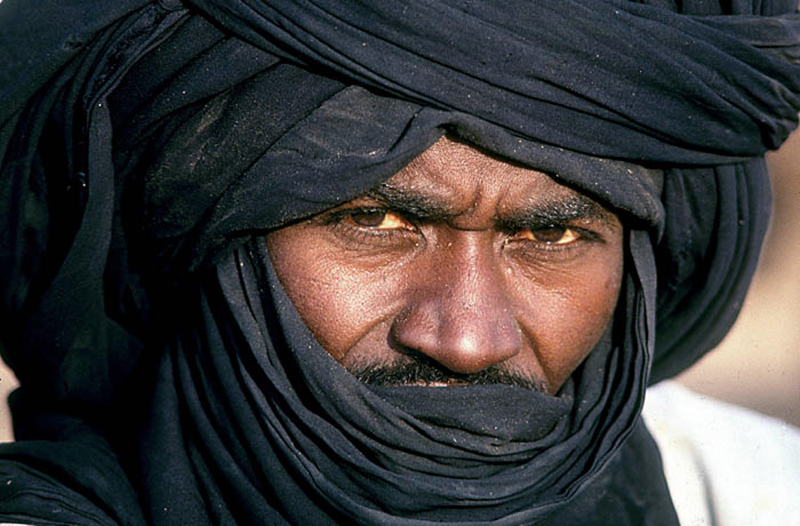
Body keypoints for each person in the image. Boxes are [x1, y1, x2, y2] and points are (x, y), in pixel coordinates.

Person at [0, 1, 797, 525]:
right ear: (203, 236)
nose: (468, 339)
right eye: (374, 221)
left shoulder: (755, 496)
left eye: (550, 238)